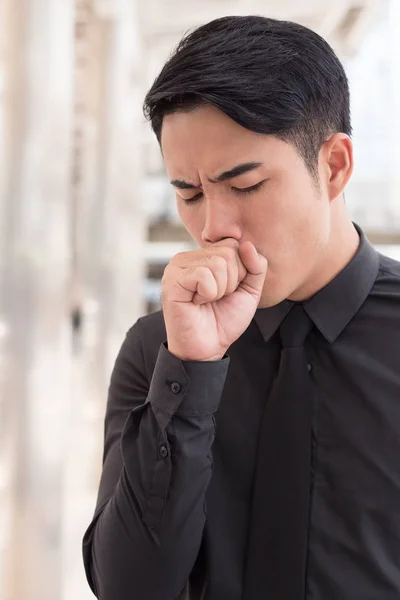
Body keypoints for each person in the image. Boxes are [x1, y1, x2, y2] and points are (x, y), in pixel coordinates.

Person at [82, 15, 400, 600]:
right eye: (189, 193)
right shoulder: (158, 351)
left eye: (246, 185)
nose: (212, 228)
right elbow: (130, 590)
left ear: (333, 167)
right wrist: (191, 371)